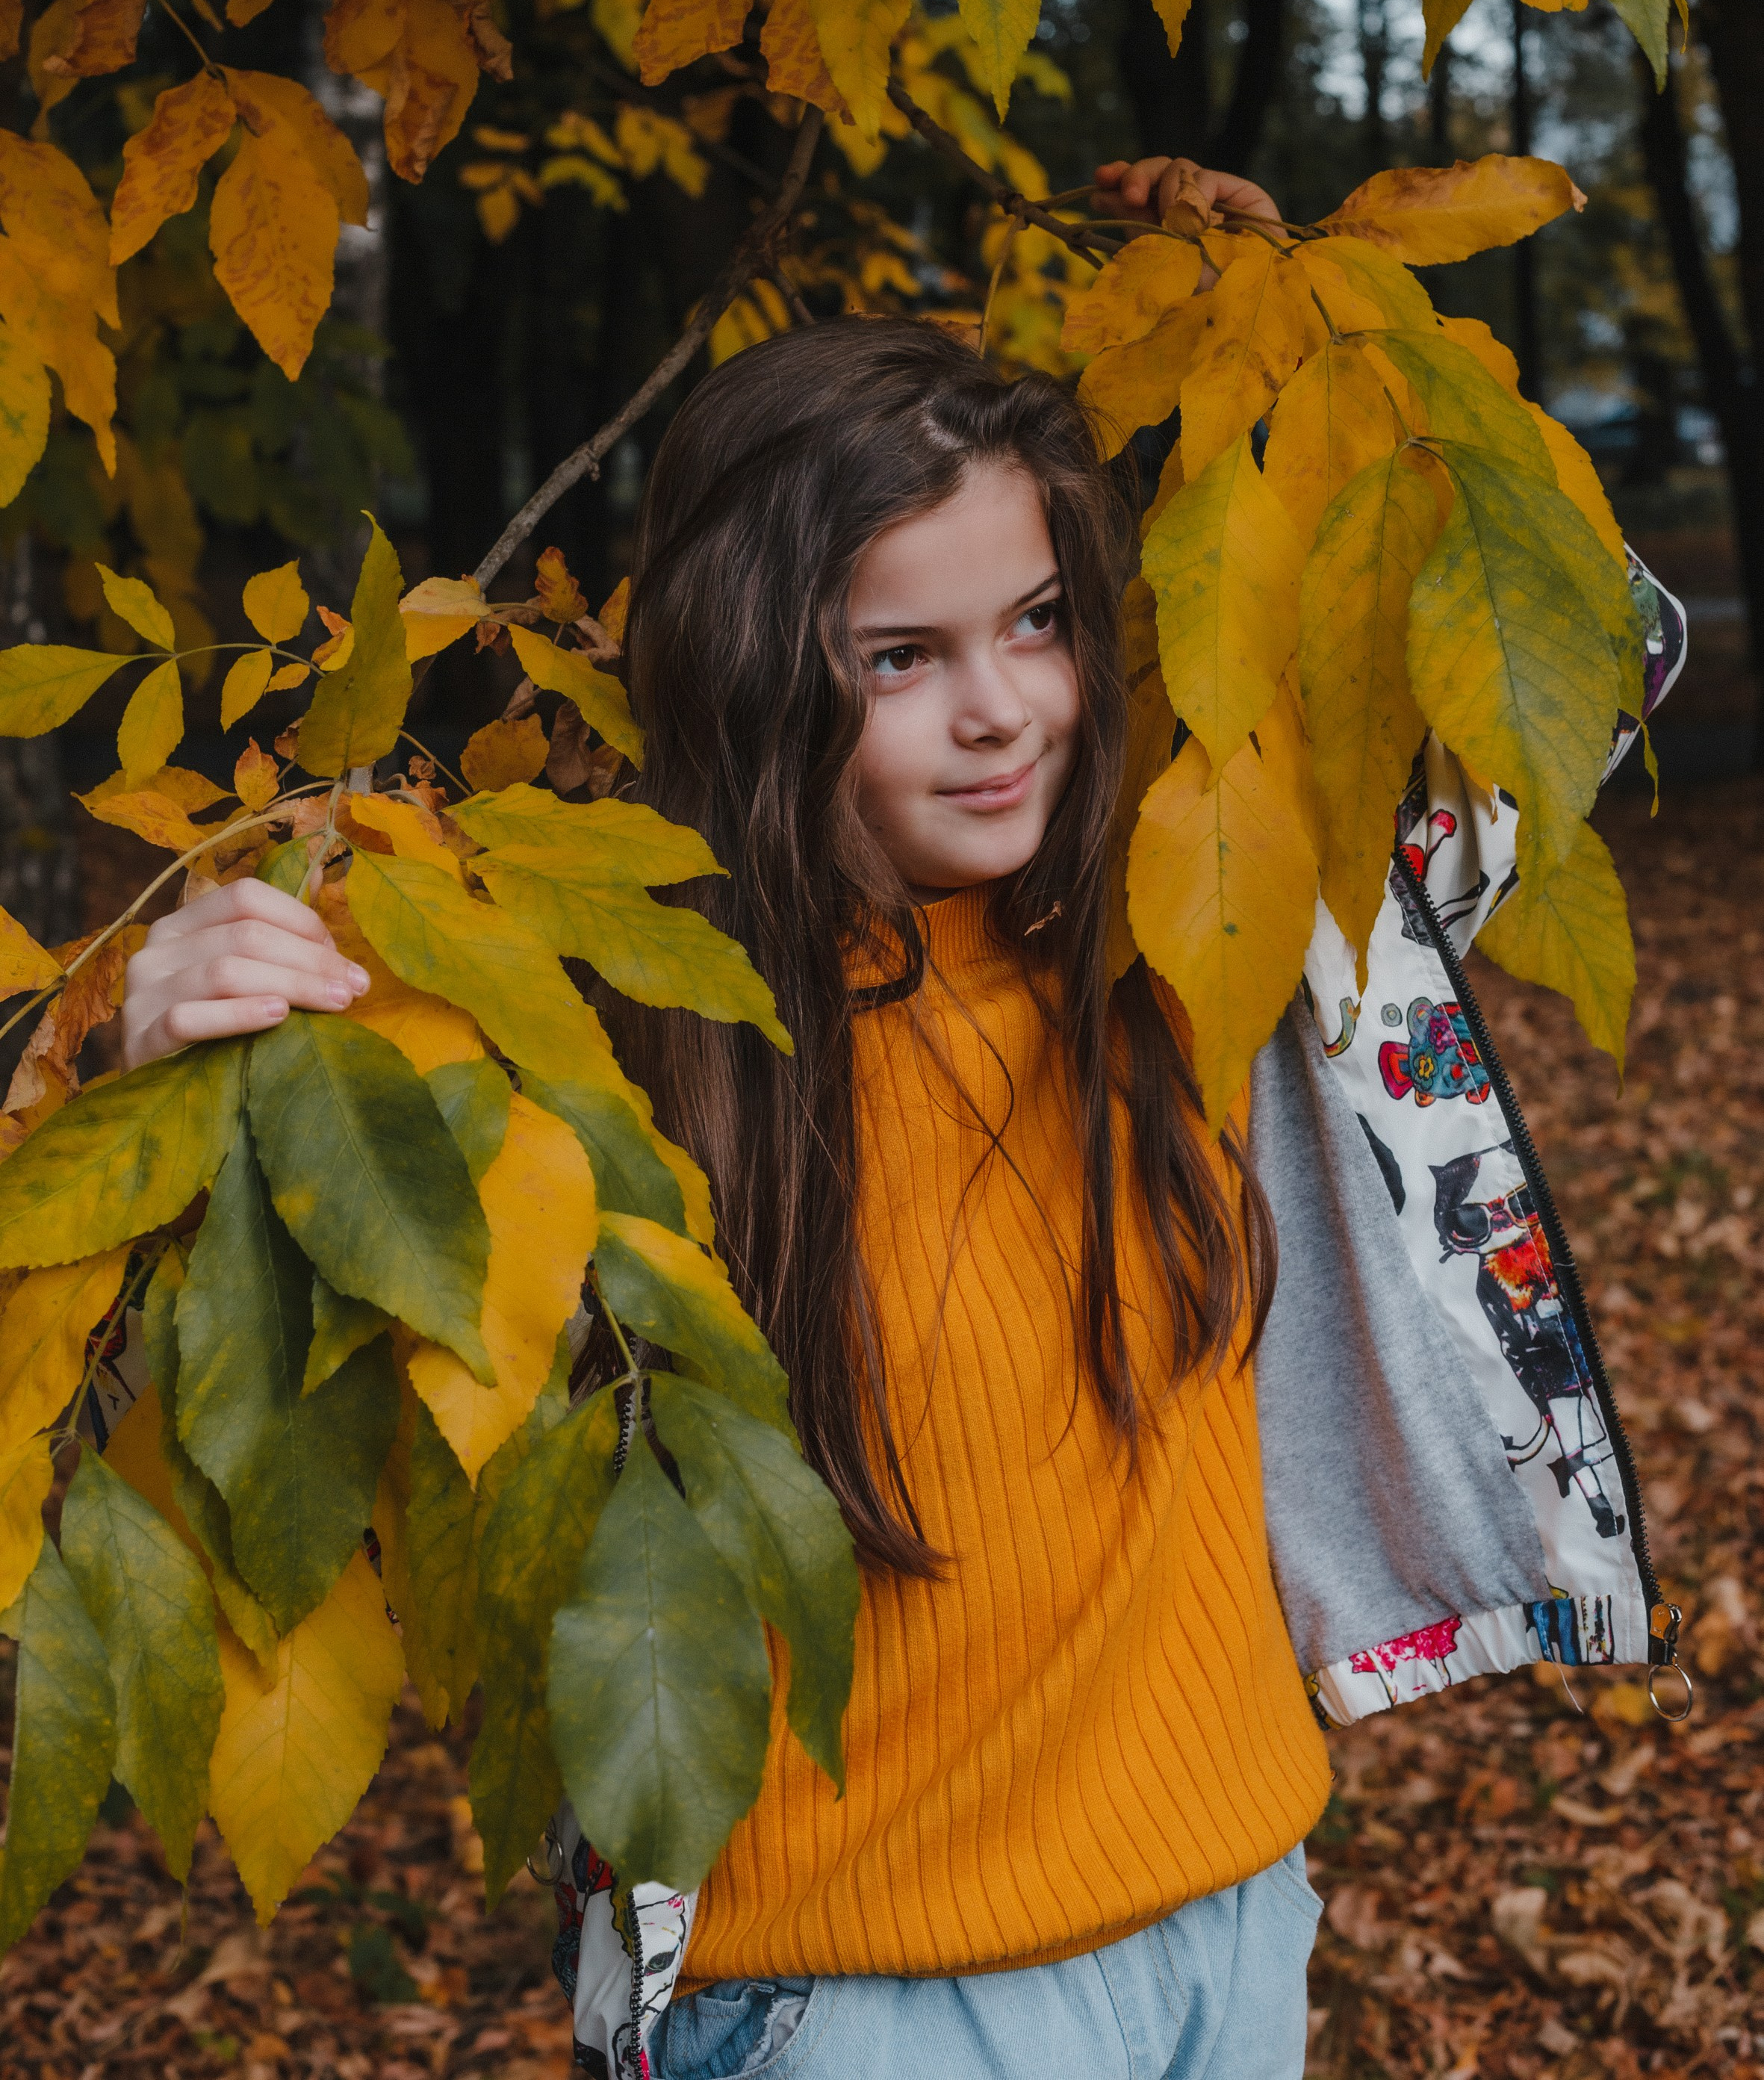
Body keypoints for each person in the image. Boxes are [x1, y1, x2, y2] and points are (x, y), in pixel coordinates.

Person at [121, 158, 1686, 2080]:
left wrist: (1308, 348)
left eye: (1036, 619)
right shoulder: (600, 1027)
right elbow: (279, 1366)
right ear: (755, 668)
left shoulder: (1203, 935)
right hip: (851, 2005)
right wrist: (175, 1057)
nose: (1000, 708)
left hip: (1226, 1924)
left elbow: (1584, 657)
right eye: (898, 656)